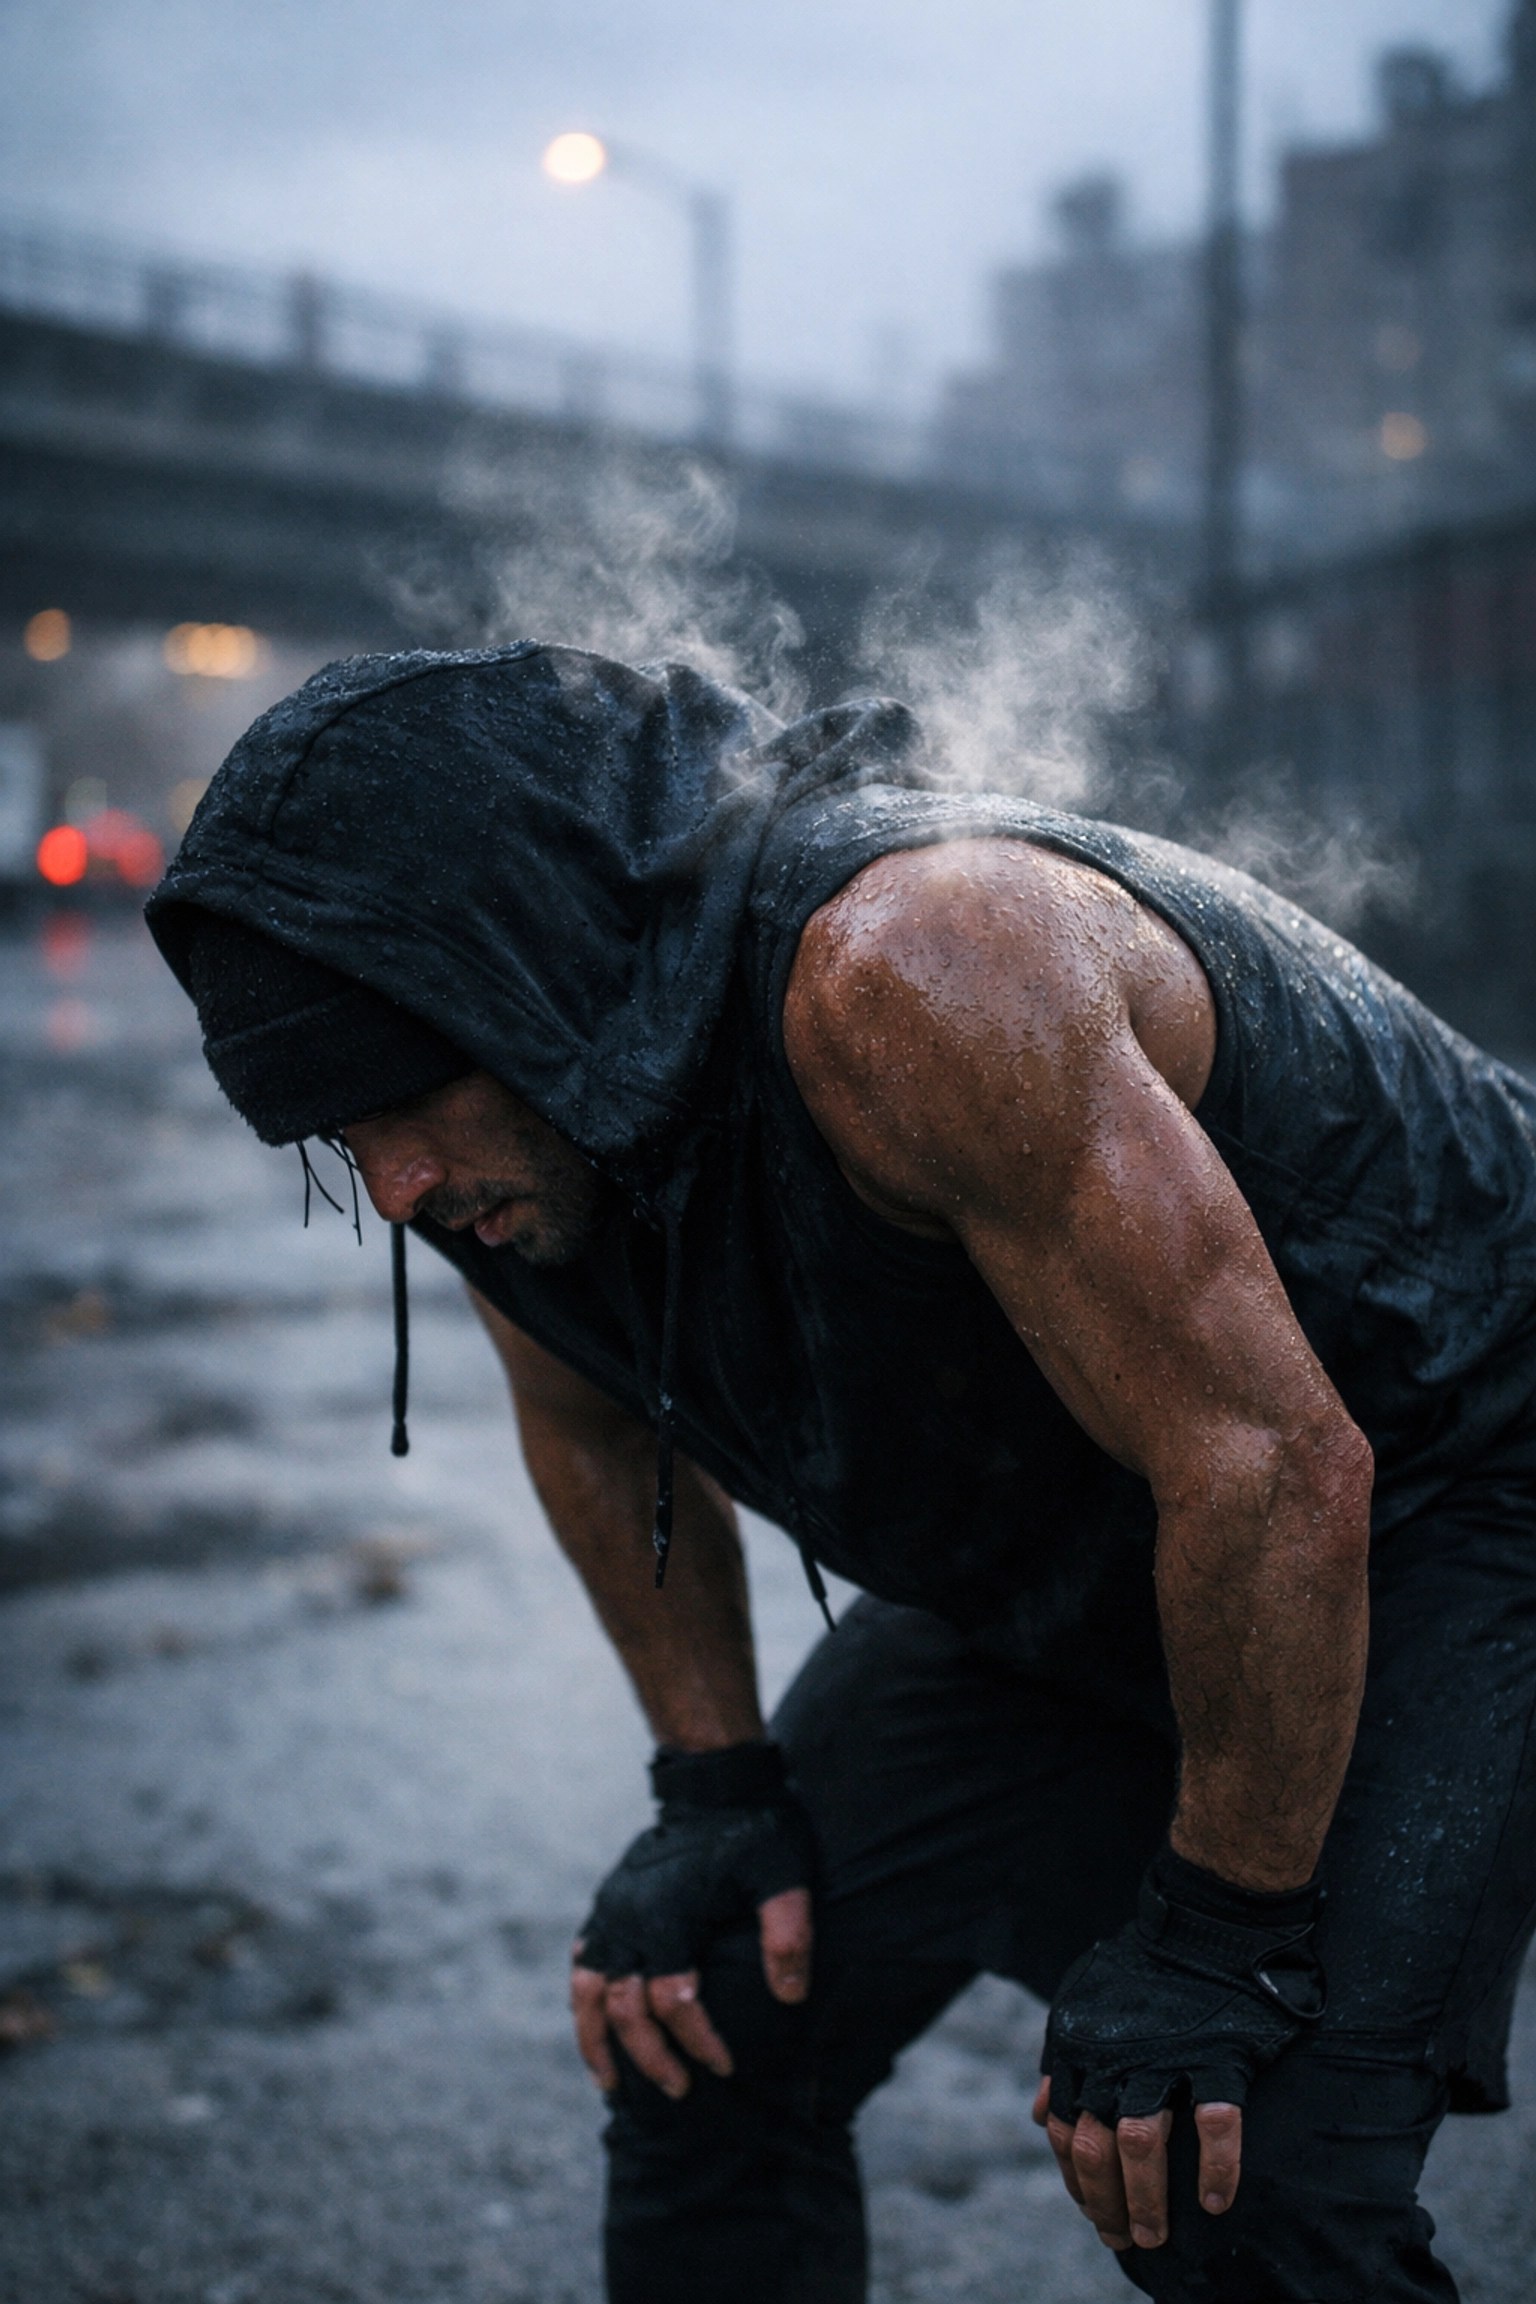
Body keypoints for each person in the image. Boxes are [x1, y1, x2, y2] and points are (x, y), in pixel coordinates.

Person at [147, 641, 1536, 2304]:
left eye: (393, 1108)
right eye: (335, 1140)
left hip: (1453, 1482)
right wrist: (710, 1787)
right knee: (706, 2025)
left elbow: (1273, 1461)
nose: (389, 1189)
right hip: (1109, 1517)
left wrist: (1224, 1932)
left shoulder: (915, 968)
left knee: (1234, 2161)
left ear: (513, 968)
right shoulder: (503, 1127)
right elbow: (589, 1413)